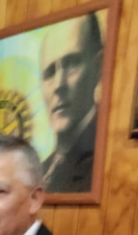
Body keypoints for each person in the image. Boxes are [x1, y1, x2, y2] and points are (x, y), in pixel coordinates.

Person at [38, 13, 103, 193]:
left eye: (72, 63)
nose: (59, 85)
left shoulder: (104, 160)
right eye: (50, 72)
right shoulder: (40, 171)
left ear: (98, 67)